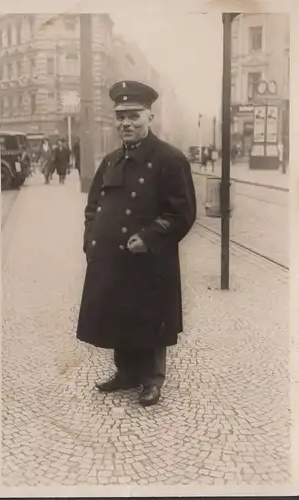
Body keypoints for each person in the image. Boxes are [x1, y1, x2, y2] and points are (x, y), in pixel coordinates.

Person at [76, 80, 197, 407]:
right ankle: (126, 373)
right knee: (120, 314)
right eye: (120, 116)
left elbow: (182, 213)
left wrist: (148, 237)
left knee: (151, 316)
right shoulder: (112, 160)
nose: (126, 123)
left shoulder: (170, 160)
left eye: (134, 115)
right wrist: (91, 238)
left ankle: (152, 379)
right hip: (113, 259)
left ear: (150, 117)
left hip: (150, 259)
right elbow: (93, 205)